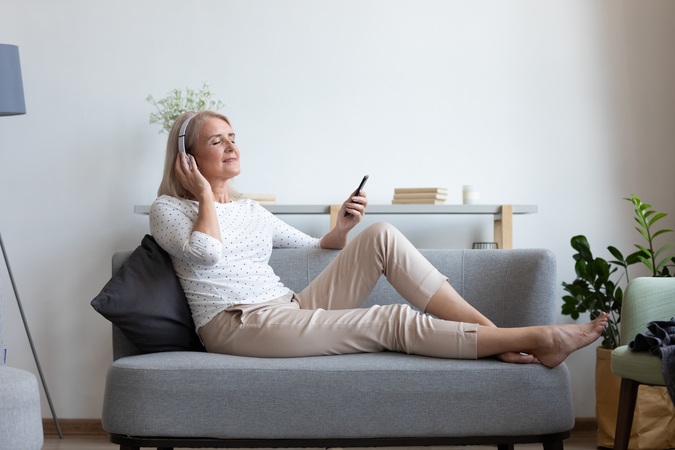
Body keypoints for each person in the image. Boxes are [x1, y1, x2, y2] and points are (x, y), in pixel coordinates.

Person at [150, 110, 608, 368]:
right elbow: (206, 253)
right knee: (387, 319)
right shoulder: (169, 210)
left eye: (233, 137)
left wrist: (344, 228)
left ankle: (494, 336)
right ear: (187, 158)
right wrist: (205, 195)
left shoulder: (250, 210)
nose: (232, 146)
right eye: (217, 142)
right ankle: (538, 337)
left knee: (381, 235)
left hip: (287, 308)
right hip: (237, 325)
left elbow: (315, 246)